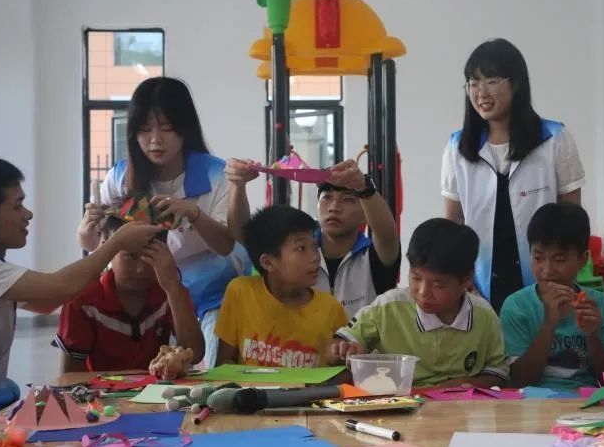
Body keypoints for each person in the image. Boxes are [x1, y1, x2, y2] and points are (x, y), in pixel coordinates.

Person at [77, 77, 249, 368]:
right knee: (154, 370)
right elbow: (97, 245)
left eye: (166, 128)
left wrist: (193, 214)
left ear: (184, 128)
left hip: (213, 294)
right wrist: (85, 232)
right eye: (144, 129)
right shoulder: (120, 178)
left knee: (210, 370)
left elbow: (226, 244)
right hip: (150, 294)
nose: (155, 140)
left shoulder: (216, 174)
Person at [0, 154, 159, 403]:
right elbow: (57, 288)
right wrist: (114, 244)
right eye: (17, 206)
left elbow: (46, 303)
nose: (28, 214)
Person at [442, 38, 585, 312]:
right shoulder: (457, 147)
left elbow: (572, 220)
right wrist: (460, 276)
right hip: (480, 286)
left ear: (516, 83)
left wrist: (564, 277)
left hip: (544, 281)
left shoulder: (554, 138)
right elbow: (453, 223)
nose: (481, 92)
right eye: (473, 83)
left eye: (492, 81)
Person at [329, 218, 507, 388]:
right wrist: (344, 351)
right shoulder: (387, 308)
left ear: (466, 279)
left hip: (460, 404)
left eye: (438, 284)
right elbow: (334, 349)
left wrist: (459, 386)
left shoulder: (484, 316)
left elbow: (498, 374)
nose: (423, 292)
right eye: (416, 277)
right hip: (397, 401)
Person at [225, 157, 399, 317]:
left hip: (358, 343)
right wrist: (238, 186)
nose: (334, 207)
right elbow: (243, 234)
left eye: (348, 200)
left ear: (365, 214)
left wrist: (363, 187)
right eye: (327, 197)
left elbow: (387, 234)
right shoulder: (292, 250)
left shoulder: (372, 255)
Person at [54, 216, 204, 372]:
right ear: (107, 251)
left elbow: (195, 354)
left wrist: (173, 287)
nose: (140, 269)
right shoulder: (82, 301)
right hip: (100, 387)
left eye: (149, 255)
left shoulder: (169, 291)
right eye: (130, 256)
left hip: (155, 386)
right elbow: (69, 377)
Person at [501, 202, 604, 389]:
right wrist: (549, 324)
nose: (547, 270)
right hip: (531, 401)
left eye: (559, 259)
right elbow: (518, 380)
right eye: (538, 257)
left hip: (587, 399)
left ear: (583, 259)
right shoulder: (516, 306)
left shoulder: (599, 304)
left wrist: (592, 336)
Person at [215, 206, 347, 367]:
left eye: (314, 246)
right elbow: (224, 363)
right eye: (301, 248)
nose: (315, 257)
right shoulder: (241, 292)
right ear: (268, 263)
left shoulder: (330, 308)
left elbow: (342, 369)